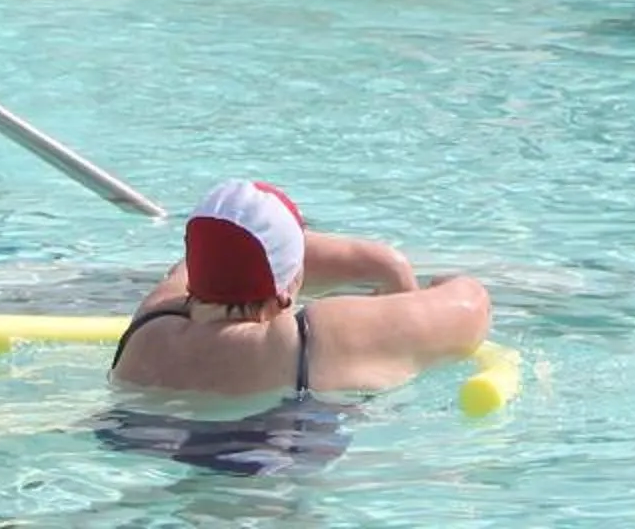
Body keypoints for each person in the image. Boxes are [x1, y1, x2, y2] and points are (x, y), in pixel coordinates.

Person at [100, 179, 493, 477]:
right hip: (267, 491)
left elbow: (222, 257)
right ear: (291, 282)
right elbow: (470, 309)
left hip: (137, 455)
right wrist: (396, 267)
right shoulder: (309, 340)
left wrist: (385, 264)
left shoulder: (151, 320)